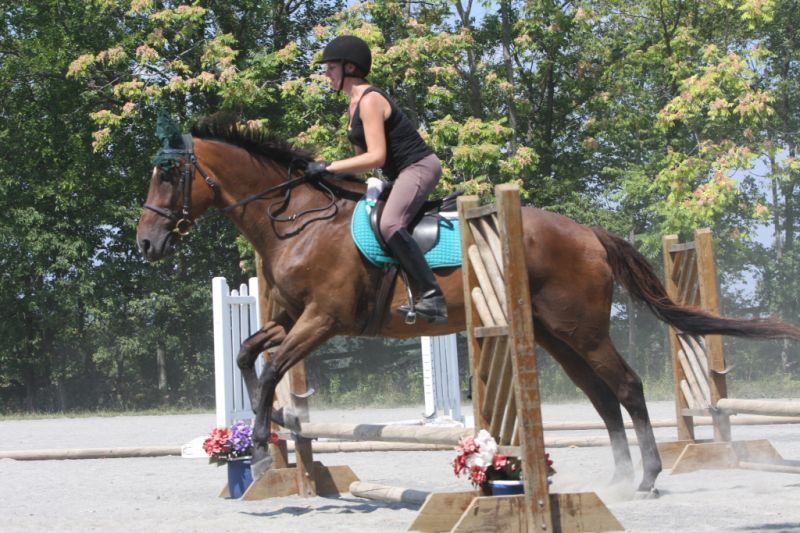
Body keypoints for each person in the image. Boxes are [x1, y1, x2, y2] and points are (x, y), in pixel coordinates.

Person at [308, 35, 447, 325]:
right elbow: (361, 163)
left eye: (331, 68)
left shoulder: (370, 100)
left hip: (419, 166)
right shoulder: (352, 107)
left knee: (390, 224)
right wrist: (327, 176)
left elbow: (376, 157)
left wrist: (329, 166)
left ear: (349, 68)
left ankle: (433, 296)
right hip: (401, 174)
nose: (327, 75)